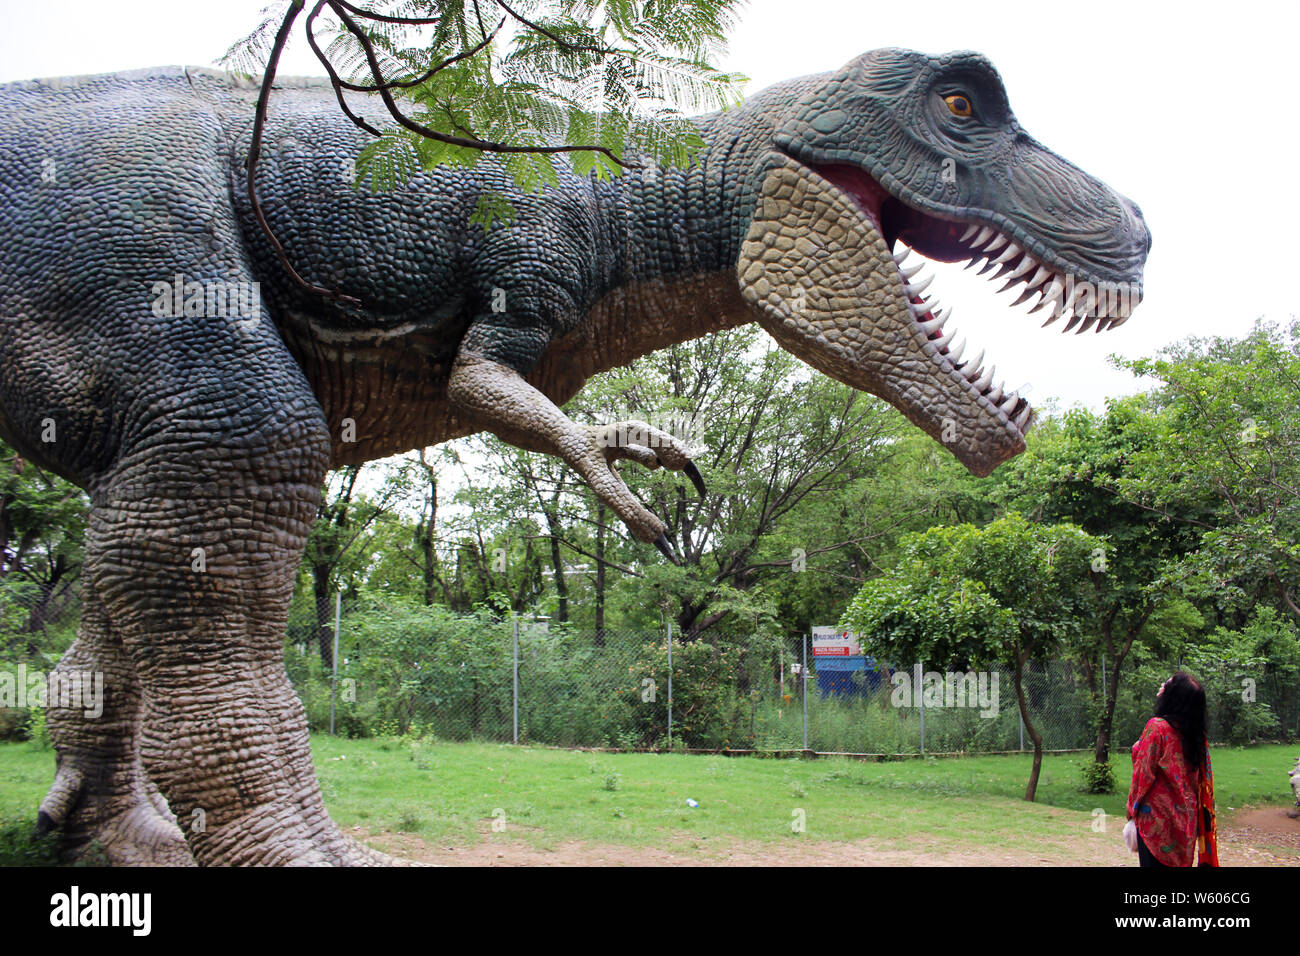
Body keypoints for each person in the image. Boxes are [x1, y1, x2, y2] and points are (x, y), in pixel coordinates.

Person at [1125, 672, 1219, 867]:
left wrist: (1131, 812)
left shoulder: (1157, 728)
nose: (1162, 684)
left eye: (1168, 683)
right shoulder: (1196, 735)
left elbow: (1142, 777)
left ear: (1174, 697)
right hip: (1185, 824)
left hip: (1156, 822)